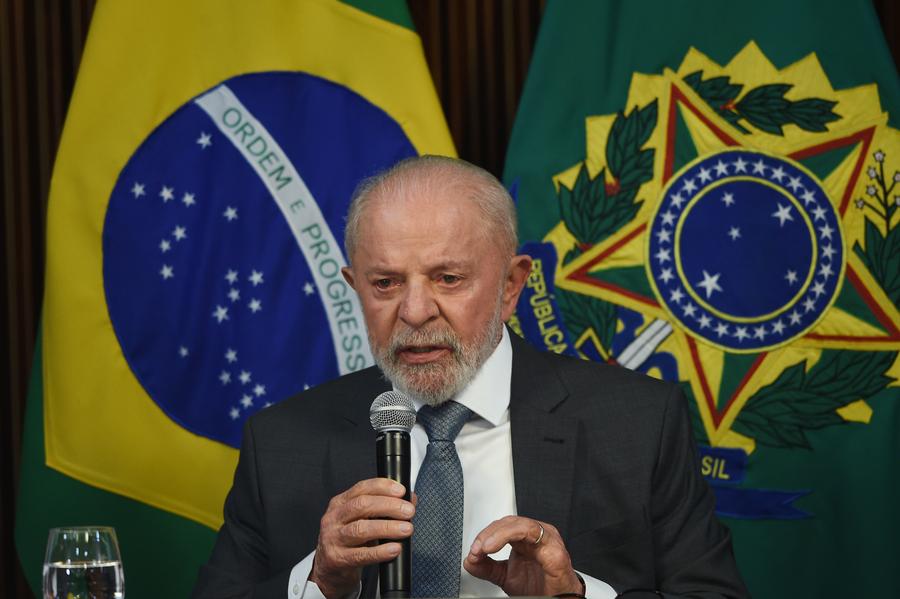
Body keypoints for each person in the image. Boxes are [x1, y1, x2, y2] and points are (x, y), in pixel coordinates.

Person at [192, 156, 748, 599]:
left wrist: (575, 596)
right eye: (384, 283)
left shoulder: (637, 424)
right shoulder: (281, 441)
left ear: (511, 285)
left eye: (448, 278)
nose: (413, 312)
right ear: (354, 285)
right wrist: (317, 583)